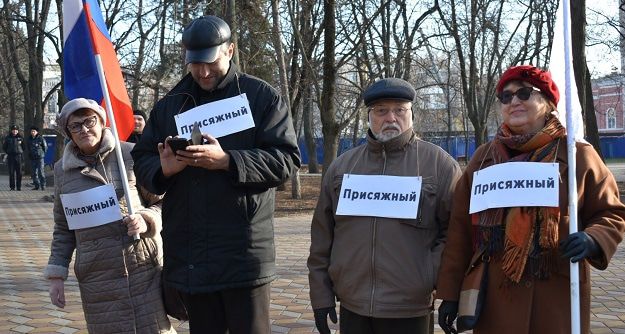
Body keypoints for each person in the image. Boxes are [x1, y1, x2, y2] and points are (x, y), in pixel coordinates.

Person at [131, 15, 300, 333]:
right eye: (195, 64)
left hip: (243, 255)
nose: (203, 72)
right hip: (192, 255)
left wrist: (227, 161)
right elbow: (142, 158)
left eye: (211, 62)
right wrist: (162, 170)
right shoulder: (171, 105)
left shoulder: (260, 98)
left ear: (230, 50)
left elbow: (287, 160)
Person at [436, 65, 625, 334]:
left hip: (557, 295)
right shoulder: (483, 158)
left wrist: (594, 238)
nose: (514, 101)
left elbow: (611, 213)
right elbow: (460, 230)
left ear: (547, 102)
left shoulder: (577, 154)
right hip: (495, 299)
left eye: (524, 93)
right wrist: (451, 293)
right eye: (506, 96)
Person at [307, 78, 462, 334]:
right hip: (353, 304)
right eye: (381, 111)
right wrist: (321, 297)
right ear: (369, 116)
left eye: (400, 110)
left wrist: (433, 279)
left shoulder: (440, 166)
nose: (391, 118)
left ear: (411, 114)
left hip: (409, 308)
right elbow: (323, 237)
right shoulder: (342, 169)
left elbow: (455, 234)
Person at [44, 98, 175, 333]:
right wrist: (56, 275)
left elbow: (165, 203)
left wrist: (146, 220)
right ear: (68, 132)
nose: (84, 129)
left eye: (89, 121)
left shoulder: (131, 155)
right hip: (97, 277)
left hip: (142, 269)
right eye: (75, 126)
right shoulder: (62, 172)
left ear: (102, 122)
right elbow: (63, 228)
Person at [3, 125, 26, 191]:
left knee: (19, 173)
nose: (15, 131)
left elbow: (24, 147)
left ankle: (19, 187)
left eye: (16, 130)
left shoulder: (21, 137)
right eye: (13, 130)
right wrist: (8, 151)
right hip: (11, 157)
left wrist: (19, 151)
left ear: (18, 131)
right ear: (11, 130)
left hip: (18, 156)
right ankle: (12, 187)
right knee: (11, 172)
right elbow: (4, 147)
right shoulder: (8, 137)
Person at [27, 125, 47, 190]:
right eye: (32, 131)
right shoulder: (29, 139)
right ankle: (36, 186)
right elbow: (28, 148)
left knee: (41, 172)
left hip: (39, 158)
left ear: (37, 132)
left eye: (34, 131)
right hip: (32, 158)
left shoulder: (41, 138)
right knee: (33, 173)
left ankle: (43, 186)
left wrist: (42, 154)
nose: (33, 132)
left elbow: (45, 147)